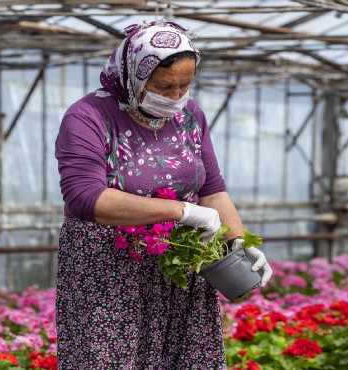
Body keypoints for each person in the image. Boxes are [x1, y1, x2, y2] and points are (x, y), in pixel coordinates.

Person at [54, 20, 273, 369]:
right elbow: (85, 197)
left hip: (178, 269)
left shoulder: (191, 116)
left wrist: (239, 243)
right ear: (134, 76)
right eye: (163, 86)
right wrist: (181, 212)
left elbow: (212, 189)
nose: (175, 96)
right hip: (107, 274)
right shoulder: (88, 116)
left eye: (185, 85)